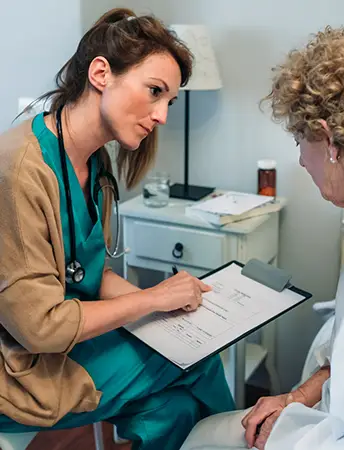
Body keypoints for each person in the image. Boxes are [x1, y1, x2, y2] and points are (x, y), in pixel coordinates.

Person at [180, 26, 344, 450]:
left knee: (202, 437)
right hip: (341, 417)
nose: (301, 160)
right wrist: (300, 396)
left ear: (329, 140)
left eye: (299, 139)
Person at [0, 8, 234, 450]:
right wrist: (152, 300)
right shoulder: (19, 171)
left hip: (66, 347)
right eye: (154, 92)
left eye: (169, 101)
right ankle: (250, 437)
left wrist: (175, 308)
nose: (162, 116)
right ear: (101, 73)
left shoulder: (95, 165)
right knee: (199, 358)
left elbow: (86, 272)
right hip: (19, 370)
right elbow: (41, 328)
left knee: (174, 409)